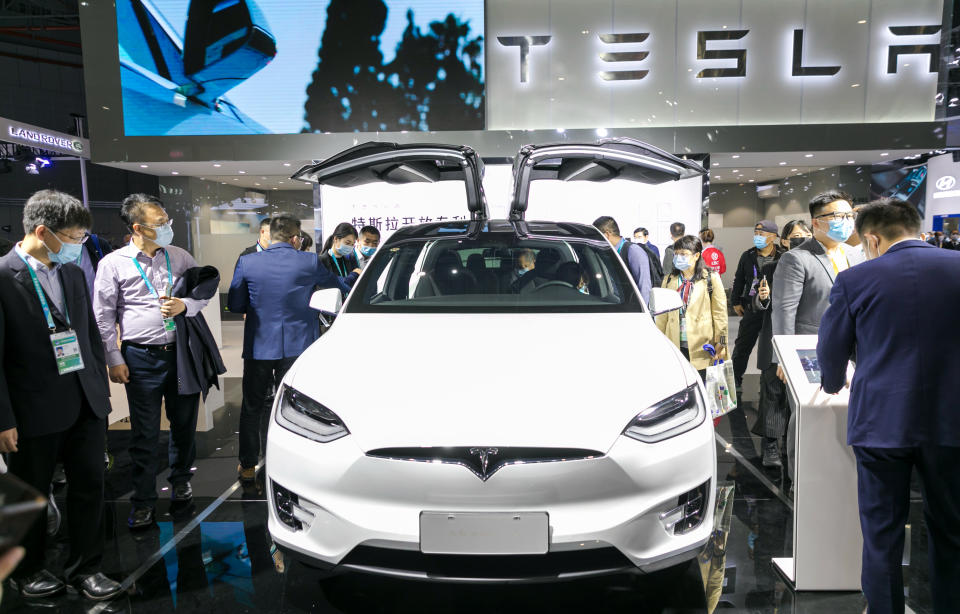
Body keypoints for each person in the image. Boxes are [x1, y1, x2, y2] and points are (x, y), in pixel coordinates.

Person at [817, 199, 960, 614]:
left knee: (882, 535)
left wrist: (829, 382)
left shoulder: (856, 279)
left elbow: (831, 350)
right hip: (951, 422)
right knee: (952, 531)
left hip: (882, 422)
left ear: (874, 239)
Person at [0, 190, 121, 600]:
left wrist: (101, 396)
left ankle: (87, 568)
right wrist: (3, 419)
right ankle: (28, 569)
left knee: (91, 487)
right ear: (42, 231)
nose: (78, 246)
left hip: (85, 401)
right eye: (73, 237)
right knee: (30, 496)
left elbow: (86, 335)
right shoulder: (3, 276)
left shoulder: (71, 273)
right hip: (31, 407)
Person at [93, 194, 210, 530]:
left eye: (167, 220)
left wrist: (185, 305)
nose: (168, 227)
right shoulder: (113, 264)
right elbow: (103, 316)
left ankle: (181, 480)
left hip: (181, 354)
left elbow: (202, 293)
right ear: (137, 227)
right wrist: (113, 358)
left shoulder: (180, 256)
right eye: (160, 223)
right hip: (140, 357)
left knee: (184, 423)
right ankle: (143, 500)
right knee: (144, 433)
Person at [228, 215, 359, 482]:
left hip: (259, 346)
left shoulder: (248, 261)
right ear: (295, 238)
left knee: (252, 406)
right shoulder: (309, 261)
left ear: (271, 235)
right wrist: (355, 277)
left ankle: (249, 465)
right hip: (299, 346)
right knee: (300, 406)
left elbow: (235, 303)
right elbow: (339, 286)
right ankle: (295, 464)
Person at [751, 220, 812, 467]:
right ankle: (771, 447)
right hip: (775, 338)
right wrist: (762, 300)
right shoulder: (771, 267)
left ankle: (794, 443)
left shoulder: (819, 265)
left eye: (804, 234)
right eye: (794, 236)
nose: (800, 239)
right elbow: (758, 304)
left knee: (800, 397)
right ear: (784, 240)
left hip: (808, 340)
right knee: (773, 393)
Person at [655, 235, 728, 379]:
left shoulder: (710, 278)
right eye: (676, 254)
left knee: (703, 384)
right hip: (675, 342)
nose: (678, 258)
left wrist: (721, 342)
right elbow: (662, 315)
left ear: (696, 256)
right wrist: (659, 341)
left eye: (683, 254)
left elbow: (720, 313)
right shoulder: (669, 279)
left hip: (703, 345)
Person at [730, 220, 784, 399]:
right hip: (751, 307)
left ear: (773, 237)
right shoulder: (748, 255)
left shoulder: (784, 255)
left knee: (770, 348)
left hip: (774, 308)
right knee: (742, 345)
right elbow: (739, 279)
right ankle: (735, 380)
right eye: (756, 233)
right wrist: (735, 301)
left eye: (762, 234)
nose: (757, 237)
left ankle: (768, 383)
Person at [593, 216, 652, 303]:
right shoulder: (606, 253)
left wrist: (641, 314)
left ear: (606, 235)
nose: (595, 241)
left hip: (630, 309)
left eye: (597, 237)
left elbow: (644, 286)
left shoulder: (633, 251)